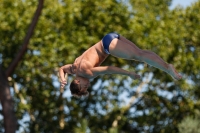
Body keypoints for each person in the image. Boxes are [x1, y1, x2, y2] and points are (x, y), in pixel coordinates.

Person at [59, 33, 182, 97]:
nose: (88, 85)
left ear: (77, 82)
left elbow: (108, 69)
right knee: (140, 53)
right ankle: (166, 67)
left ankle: (167, 68)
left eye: (85, 87)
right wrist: (62, 79)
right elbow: (62, 68)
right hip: (109, 37)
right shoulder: (74, 68)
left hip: (107, 46)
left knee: (138, 55)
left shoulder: (86, 73)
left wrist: (128, 73)